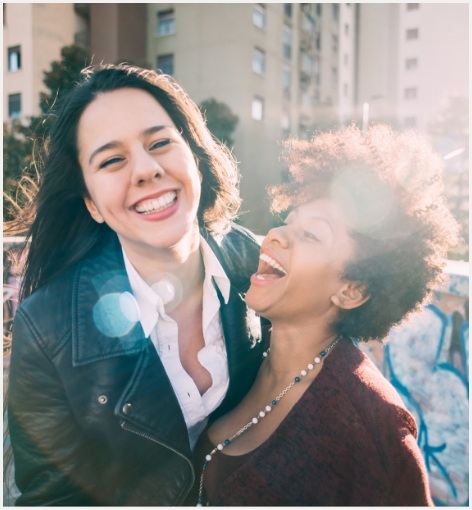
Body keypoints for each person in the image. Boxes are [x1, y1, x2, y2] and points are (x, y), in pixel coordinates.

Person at [6, 63, 266, 506]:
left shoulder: (262, 264)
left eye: (161, 142)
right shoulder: (46, 326)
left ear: (196, 157)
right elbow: (53, 497)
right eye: (111, 160)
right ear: (91, 203)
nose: (146, 170)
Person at [192, 124, 460, 506]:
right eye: (290, 221)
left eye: (312, 235)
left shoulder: (375, 427)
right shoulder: (236, 348)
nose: (277, 235)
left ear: (351, 290)